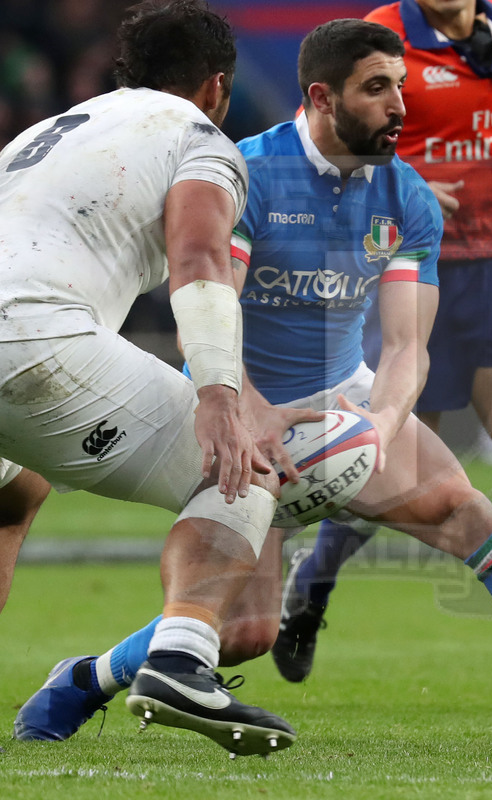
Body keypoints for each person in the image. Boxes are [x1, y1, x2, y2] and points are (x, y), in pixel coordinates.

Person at [15, 18, 492, 748]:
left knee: (467, 512)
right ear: (322, 98)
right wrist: (248, 412)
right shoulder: (245, 173)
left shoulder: (406, 196)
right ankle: (87, 679)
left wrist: (378, 428)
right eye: (377, 88)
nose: (400, 106)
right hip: (248, 406)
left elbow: (407, 347)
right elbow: (209, 311)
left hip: (342, 397)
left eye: (402, 86)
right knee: (246, 633)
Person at [0, 0, 311, 758]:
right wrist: (219, 394)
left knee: (12, 495)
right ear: (217, 86)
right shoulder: (199, 137)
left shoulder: (41, 135)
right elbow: (199, 257)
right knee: (247, 476)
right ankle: (179, 660)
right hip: (29, 337)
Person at [273, 0, 492, 712]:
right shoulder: (380, 38)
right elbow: (324, 142)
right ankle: (315, 578)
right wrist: (404, 182)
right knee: (389, 472)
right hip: (413, 273)